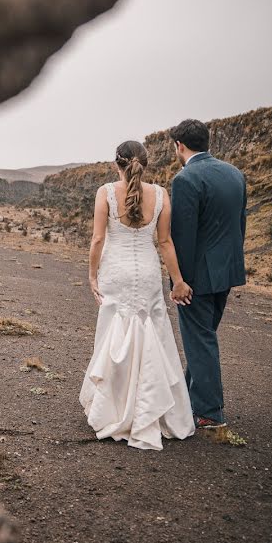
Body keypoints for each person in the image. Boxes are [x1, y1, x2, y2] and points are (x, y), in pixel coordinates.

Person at [79, 140, 196, 450]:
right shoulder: (160, 195)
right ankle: (153, 411)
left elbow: (98, 239)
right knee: (152, 334)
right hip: (146, 274)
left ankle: (113, 408)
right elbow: (166, 242)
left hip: (115, 273)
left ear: (117, 164)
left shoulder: (105, 193)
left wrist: (92, 275)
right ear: (146, 163)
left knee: (113, 335)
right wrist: (179, 281)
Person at [168, 119, 247, 429]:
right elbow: (239, 226)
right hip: (226, 272)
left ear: (179, 146)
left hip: (196, 278)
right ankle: (191, 397)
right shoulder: (235, 174)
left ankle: (209, 412)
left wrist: (178, 281)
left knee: (200, 339)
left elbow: (182, 237)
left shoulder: (185, 179)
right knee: (203, 338)